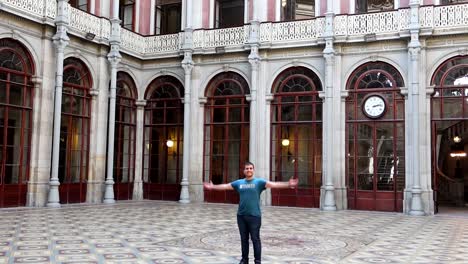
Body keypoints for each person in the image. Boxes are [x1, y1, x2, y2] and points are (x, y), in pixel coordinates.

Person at [203, 161, 299, 264]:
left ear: (253, 170)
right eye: (247, 168)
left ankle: (257, 261)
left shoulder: (259, 182)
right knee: (244, 240)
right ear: (244, 171)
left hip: (254, 216)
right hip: (241, 216)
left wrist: (288, 184)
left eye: (250, 168)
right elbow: (226, 186)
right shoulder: (239, 183)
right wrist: (213, 187)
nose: (249, 170)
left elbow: (274, 184)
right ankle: (244, 260)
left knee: (255, 239)